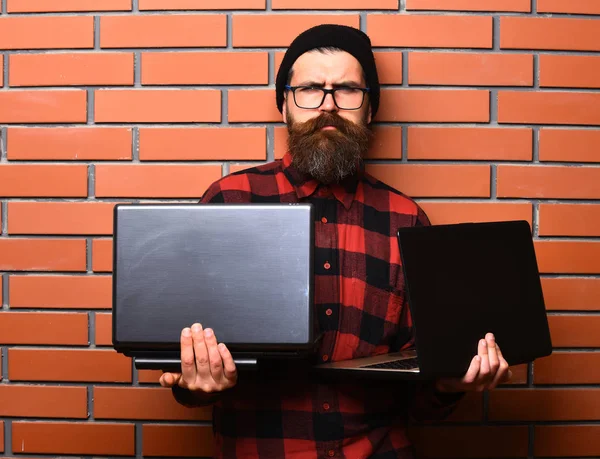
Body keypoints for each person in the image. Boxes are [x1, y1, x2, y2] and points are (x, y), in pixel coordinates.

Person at [160, 24, 511, 458]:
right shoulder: (229, 200)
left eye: (347, 90)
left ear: (370, 109)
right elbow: (188, 377)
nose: (328, 106)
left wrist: (449, 384)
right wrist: (196, 387)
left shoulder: (407, 219)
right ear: (284, 104)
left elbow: (423, 401)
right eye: (309, 88)